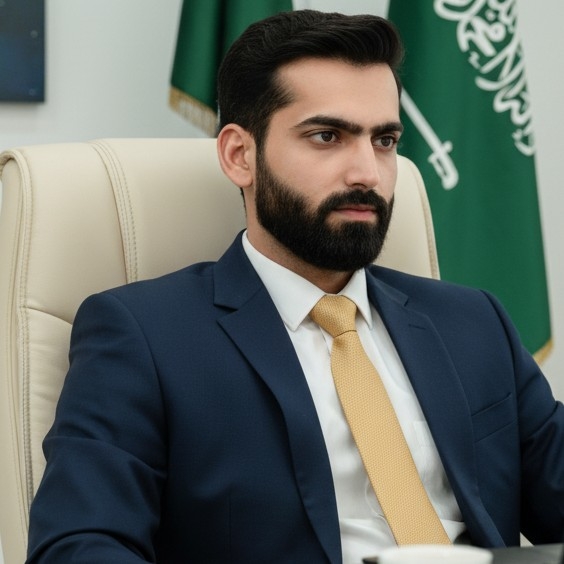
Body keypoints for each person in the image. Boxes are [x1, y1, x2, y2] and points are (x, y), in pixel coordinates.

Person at [26, 9, 563, 564]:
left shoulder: (473, 322)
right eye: (327, 136)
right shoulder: (145, 336)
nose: (368, 173)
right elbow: (79, 545)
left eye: (384, 140)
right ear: (239, 156)